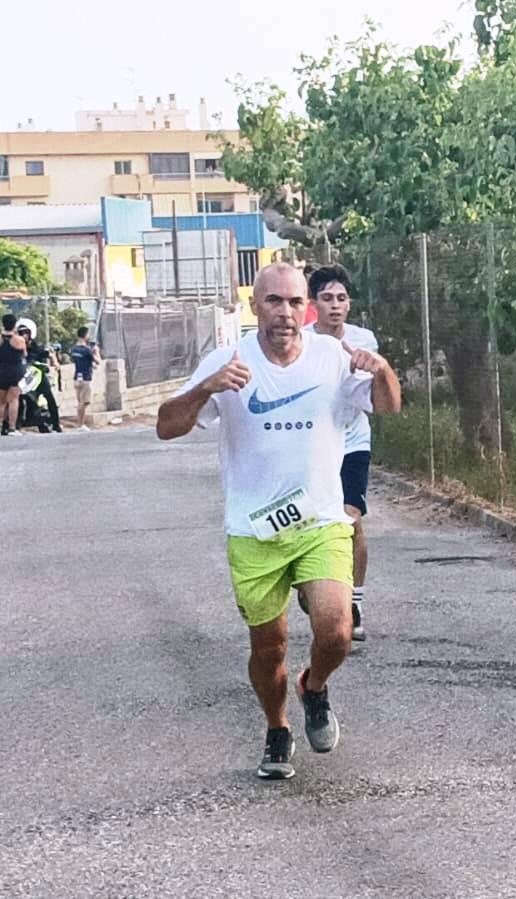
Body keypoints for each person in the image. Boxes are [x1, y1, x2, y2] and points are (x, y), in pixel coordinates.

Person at [156, 263, 401, 780]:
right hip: (254, 530)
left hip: (319, 520)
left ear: (305, 308)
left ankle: (314, 686)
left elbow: (388, 405)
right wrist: (206, 388)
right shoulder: (228, 360)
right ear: (255, 306)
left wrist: (381, 370)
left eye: (294, 303)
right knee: (269, 649)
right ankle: (277, 726)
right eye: (273, 301)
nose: (285, 313)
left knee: (336, 630)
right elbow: (166, 426)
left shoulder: (331, 356)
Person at [302, 264, 380, 640]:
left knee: (350, 521)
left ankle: (353, 602)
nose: (335, 305)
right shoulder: (301, 342)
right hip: (312, 444)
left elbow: (365, 392)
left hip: (352, 441)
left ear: (349, 305)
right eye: (327, 298)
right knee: (313, 523)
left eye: (341, 298)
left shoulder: (363, 340)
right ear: (314, 304)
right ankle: (314, 587)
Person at [20, 320, 62, 433]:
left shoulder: (36, 346)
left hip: (38, 377)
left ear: (31, 333)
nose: (23, 335)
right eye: (21, 333)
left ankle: (56, 424)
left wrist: (55, 363)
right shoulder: (16, 346)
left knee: (49, 397)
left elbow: (49, 354)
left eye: (26, 332)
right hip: (23, 378)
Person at [67, 327, 102, 430]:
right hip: (86, 379)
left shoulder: (74, 349)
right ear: (85, 335)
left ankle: (80, 424)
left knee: (80, 402)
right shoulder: (87, 350)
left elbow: (78, 360)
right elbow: (98, 361)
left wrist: (91, 365)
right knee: (84, 403)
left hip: (77, 377)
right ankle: (80, 425)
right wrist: (96, 352)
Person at [0, 314, 24, 437]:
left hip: (2, 370)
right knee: (14, 400)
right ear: (15, 324)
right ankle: (12, 428)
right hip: (15, 371)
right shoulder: (19, 340)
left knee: (1, 401)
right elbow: (24, 354)